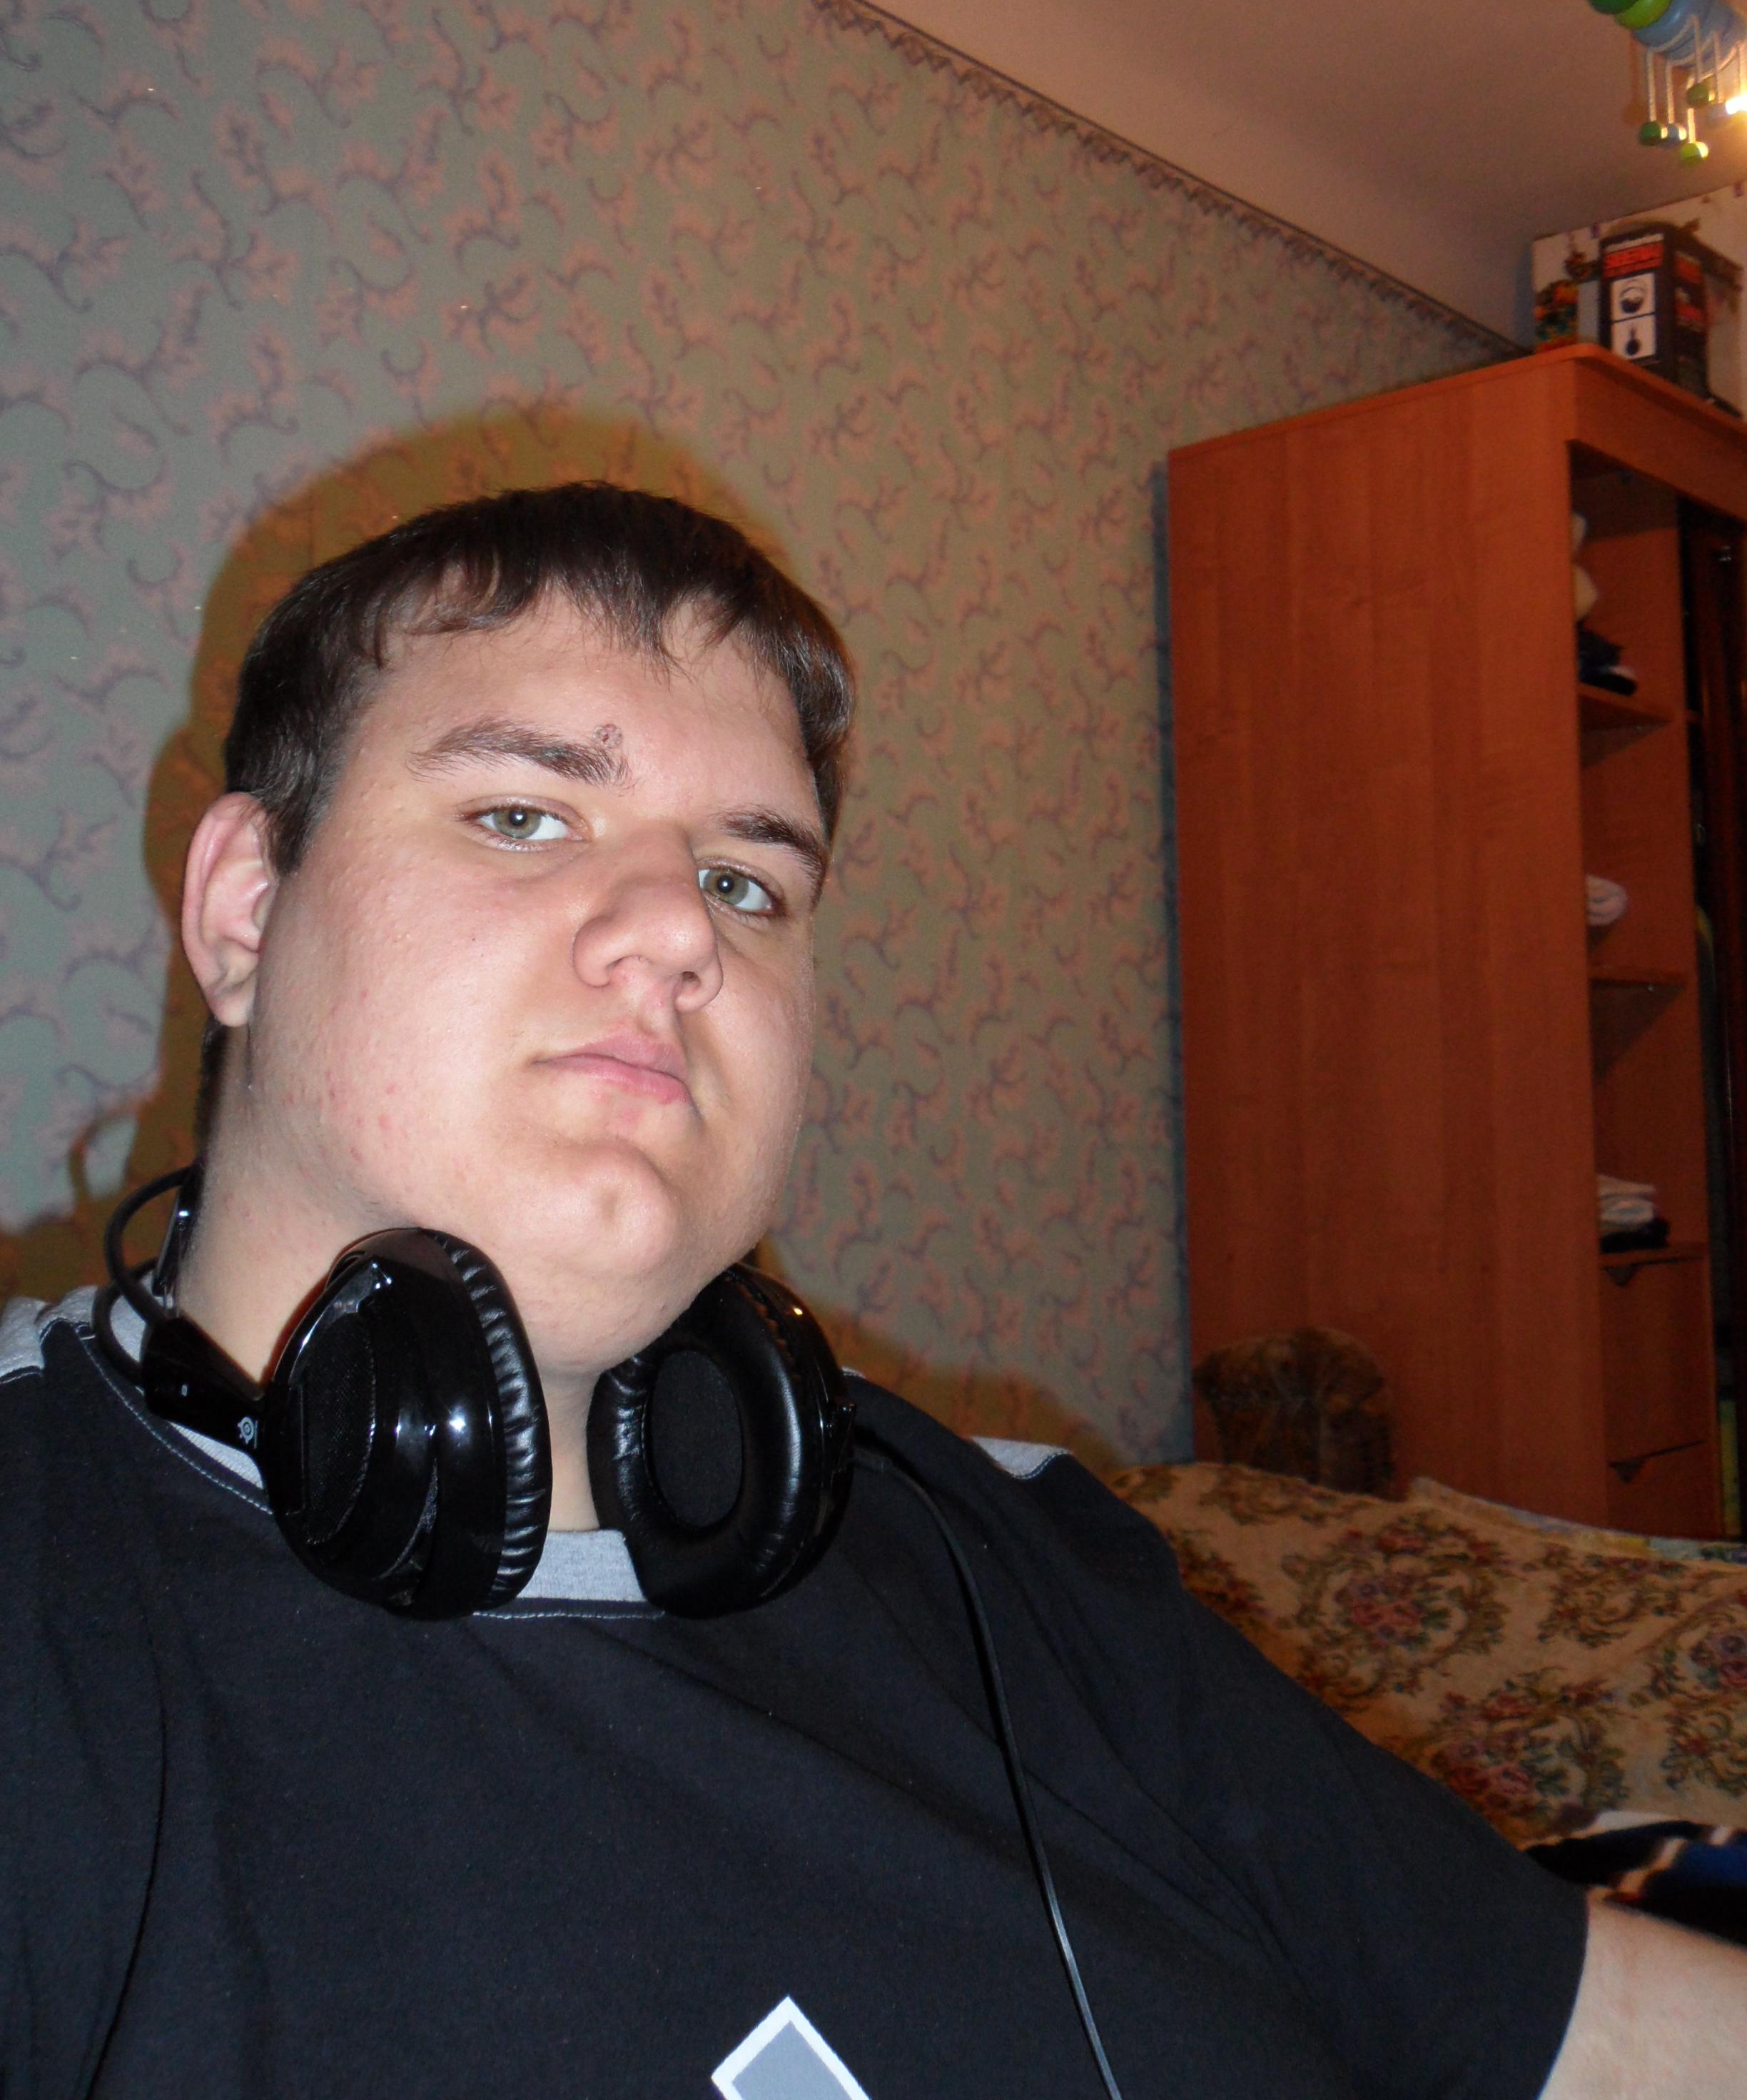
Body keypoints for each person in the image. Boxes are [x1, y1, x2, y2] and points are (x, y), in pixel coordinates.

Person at [1, 480, 1742, 2100]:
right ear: (244, 909)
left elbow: (1594, 2037)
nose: (680, 929)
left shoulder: (987, 1545)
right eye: (523, 815)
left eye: (746, 879)